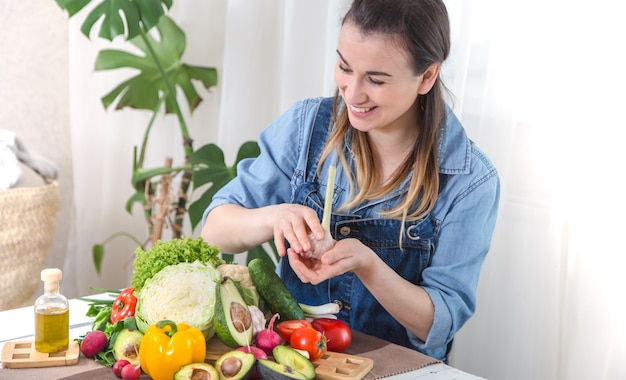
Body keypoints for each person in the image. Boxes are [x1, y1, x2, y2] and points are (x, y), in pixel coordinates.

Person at [202, 0, 499, 361]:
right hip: (296, 359)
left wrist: (368, 264)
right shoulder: (307, 127)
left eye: (376, 79)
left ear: (426, 77)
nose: (352, 93)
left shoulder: (469, 180)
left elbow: (439, 322)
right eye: (344, 66)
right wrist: (274, 216)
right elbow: (214, 228)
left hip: (397, 369)